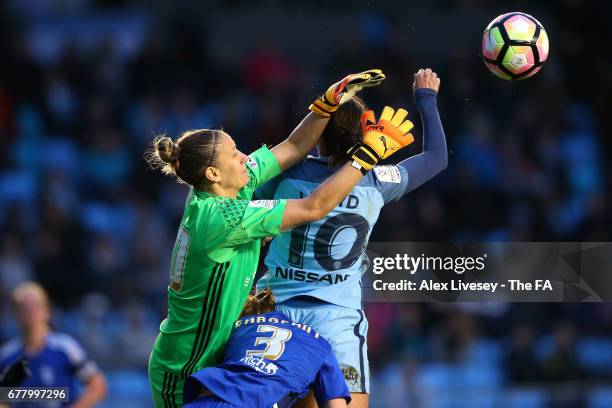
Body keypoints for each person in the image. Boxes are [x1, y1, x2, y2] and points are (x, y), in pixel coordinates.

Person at [146, 69, 416, 407]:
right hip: (185, 365)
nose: (246, 157)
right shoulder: (224, 219)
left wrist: (329, 101)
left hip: (217, 353)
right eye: (234, 155)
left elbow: (294, 146)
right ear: (213, 173)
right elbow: (315, 206)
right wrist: (366, 158)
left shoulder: (229, 189)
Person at [256, 68, 447, 407]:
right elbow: (436, 158)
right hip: (337, 320)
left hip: (274, 309)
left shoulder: (284, 174)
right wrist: (426, 98)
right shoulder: (376, 180)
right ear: (364, 135)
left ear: (318, 134)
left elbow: (279, 159)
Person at [182, 289, 350, 408]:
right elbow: (335, 405)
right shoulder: (319, 344)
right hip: (255, 401)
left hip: (206, 397)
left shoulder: (235, 328)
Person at [0, 282, 107, 408]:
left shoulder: (65, 348)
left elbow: (97, 386)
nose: (30, 313)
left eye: (35, 307)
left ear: (46, 311)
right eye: (23, 308)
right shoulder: (7, 355)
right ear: (14, 313)